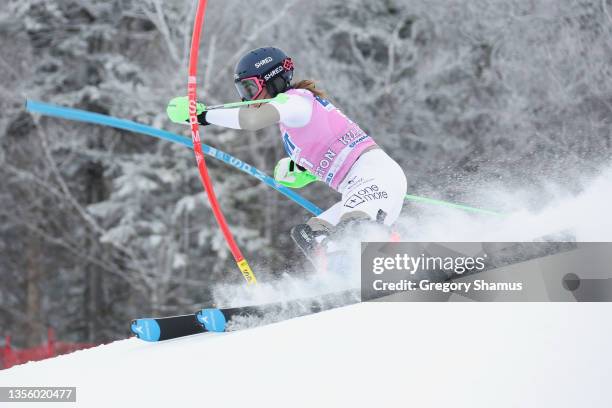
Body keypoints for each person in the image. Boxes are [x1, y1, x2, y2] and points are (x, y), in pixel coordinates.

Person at [167, 47, 407, 262]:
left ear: (272, 81)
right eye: (242, 90)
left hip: (375, 176)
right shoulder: (293, 120)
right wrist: (302, 169)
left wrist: (202, 116)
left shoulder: (296, 102)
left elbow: (251, 120)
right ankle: (342, 281)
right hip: (357, 185)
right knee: (311, 234)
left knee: (352, 231)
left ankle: (395, 265)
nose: (246, 98)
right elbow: (330, 153)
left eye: (250, 88)